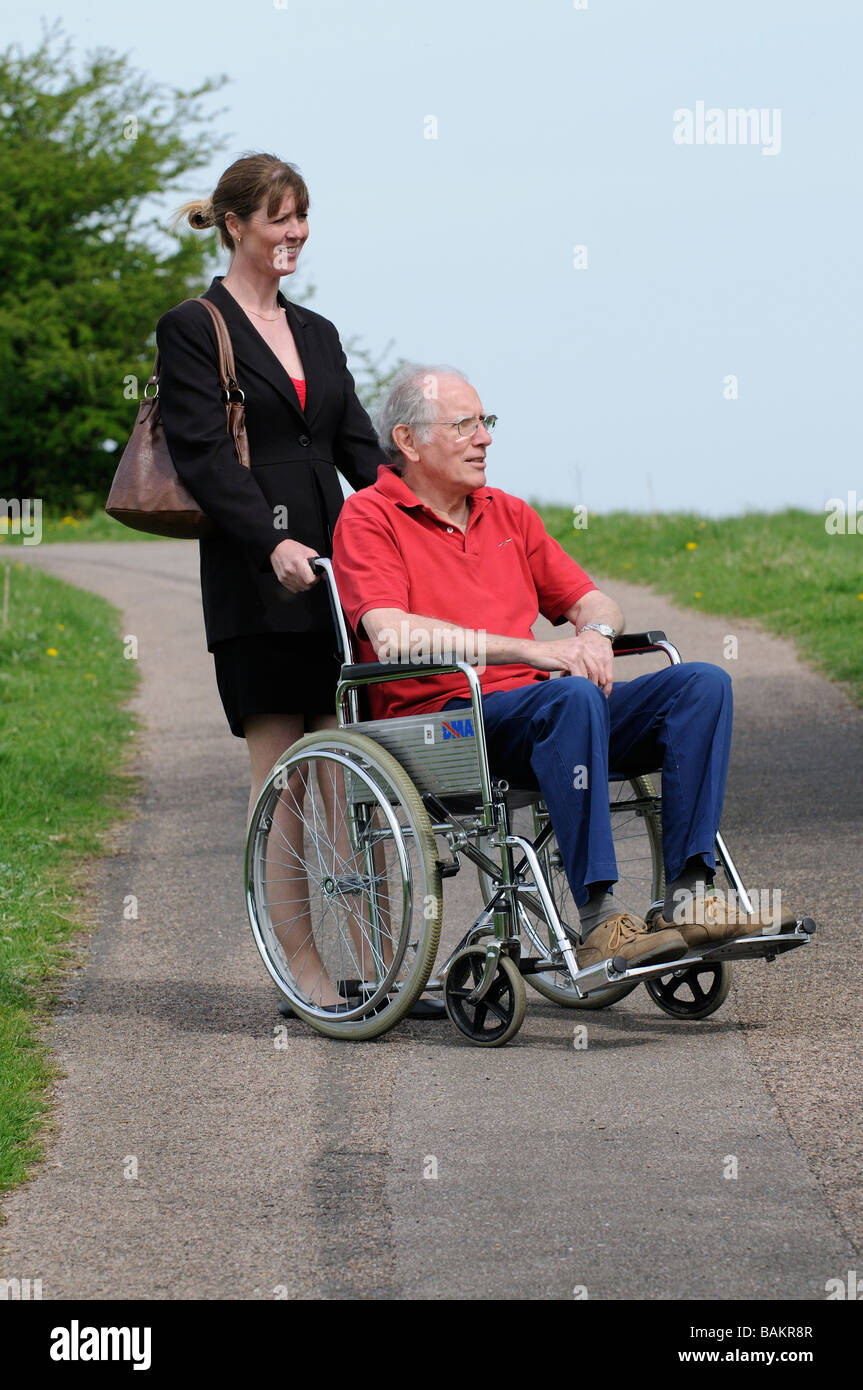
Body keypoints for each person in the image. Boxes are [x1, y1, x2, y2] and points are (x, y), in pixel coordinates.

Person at [332, 365, 792, 971]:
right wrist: (530, 651)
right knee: (569, 698)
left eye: (485, 421)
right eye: (464, 424)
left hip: (539, 717)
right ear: (409, 442)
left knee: (700, 684)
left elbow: (592, 601)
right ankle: (602, 922)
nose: (485, 438)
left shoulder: (509, 514)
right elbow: (390, 636)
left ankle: (688, 899)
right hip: (444, 725)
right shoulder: (369, 517)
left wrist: (596, 635)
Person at [156, 153, 388, 1011]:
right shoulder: (193, 326)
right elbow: (205, 458)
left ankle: (382, 969)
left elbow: (358, 450)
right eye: (278, 218)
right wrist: (268, 546)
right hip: (258, 580)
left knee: (354, 774)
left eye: (302, 217)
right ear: (234, 225)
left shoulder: (318, 333)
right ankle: (308, 974)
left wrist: (431, 500)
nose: (294, 233)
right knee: (284, 780)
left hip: (336, 575)